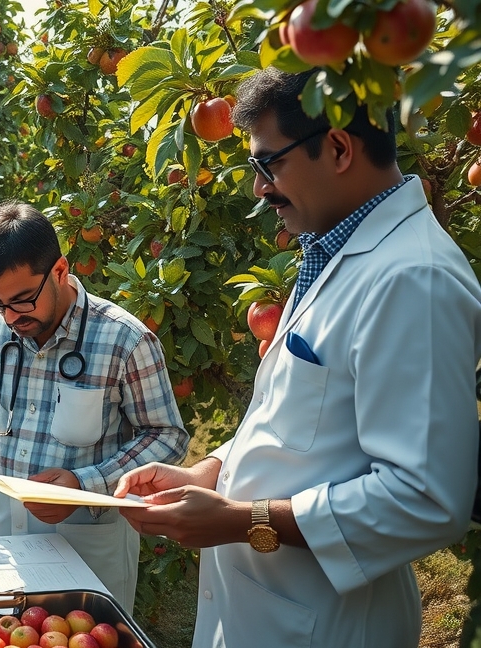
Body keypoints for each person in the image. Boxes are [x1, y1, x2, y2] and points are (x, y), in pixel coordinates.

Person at [114, 67, 481, 647]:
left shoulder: (415, 279)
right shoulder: (334, 250)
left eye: (269, 163)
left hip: (327, 625)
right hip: (267, 613)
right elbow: (297, 413)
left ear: (337, 148)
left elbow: (425, 498)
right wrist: (210, 470)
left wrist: (241, 520)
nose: (259, 187)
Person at [0, 202, 189, 609]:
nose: (10, 317)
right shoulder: (0, 329)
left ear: (59, 271)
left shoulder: (124, 341)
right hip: (3, 530)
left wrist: (84, 484)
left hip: (85, 538)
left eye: (21, 300)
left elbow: (167, 437)